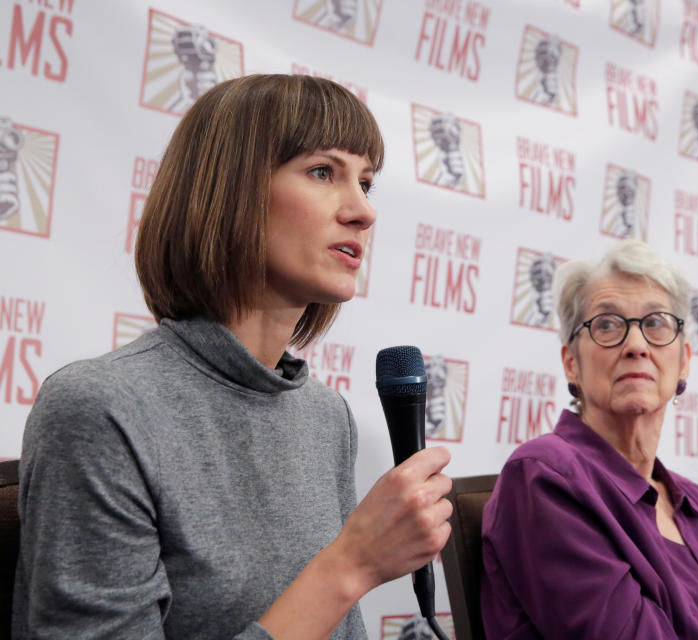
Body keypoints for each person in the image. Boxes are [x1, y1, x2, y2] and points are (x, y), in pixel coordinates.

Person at [13, 75, 453, 639]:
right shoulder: (100, 409)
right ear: (231, 189)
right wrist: (350, 567)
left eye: (366, 183)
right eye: (324, 172)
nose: (363, 212)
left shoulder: (326, 418)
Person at [481, 240, 698, 639]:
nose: (636, 346)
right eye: (607, 325)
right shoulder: (545, 477)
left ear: (684, 360)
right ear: (572, 362)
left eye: (656, 324)